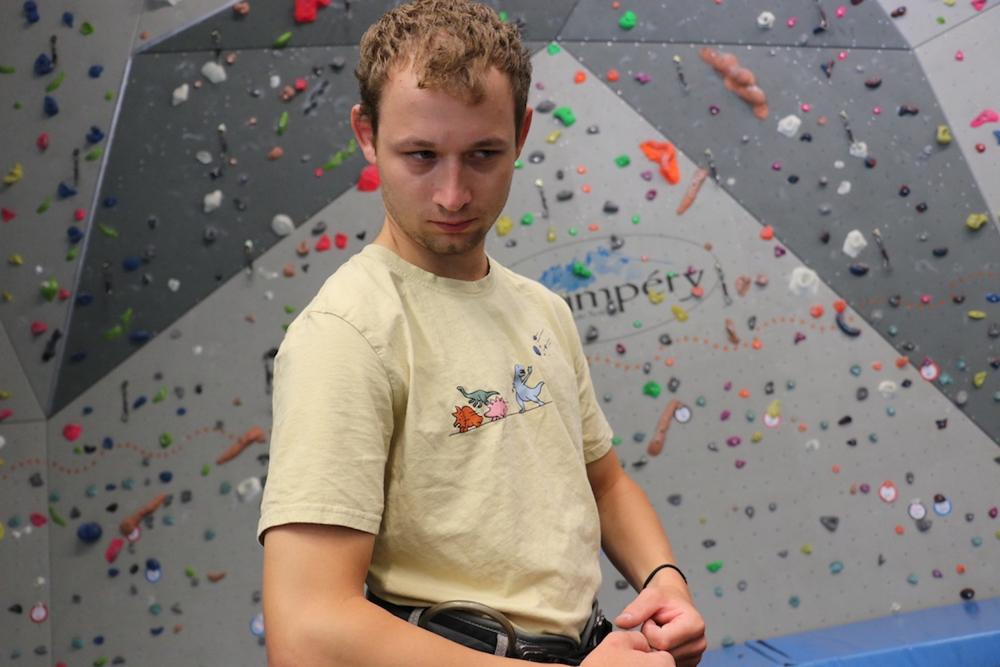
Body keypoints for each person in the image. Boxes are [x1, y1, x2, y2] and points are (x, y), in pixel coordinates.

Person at [258, 1, 706, 665]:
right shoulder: (347, 333)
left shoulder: (541, 309)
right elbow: (307, 632)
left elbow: (606, 485)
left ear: (521, 134)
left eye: (482, 155)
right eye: (421, 155)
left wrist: (664, 579)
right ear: (366, 134)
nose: (453, 194)